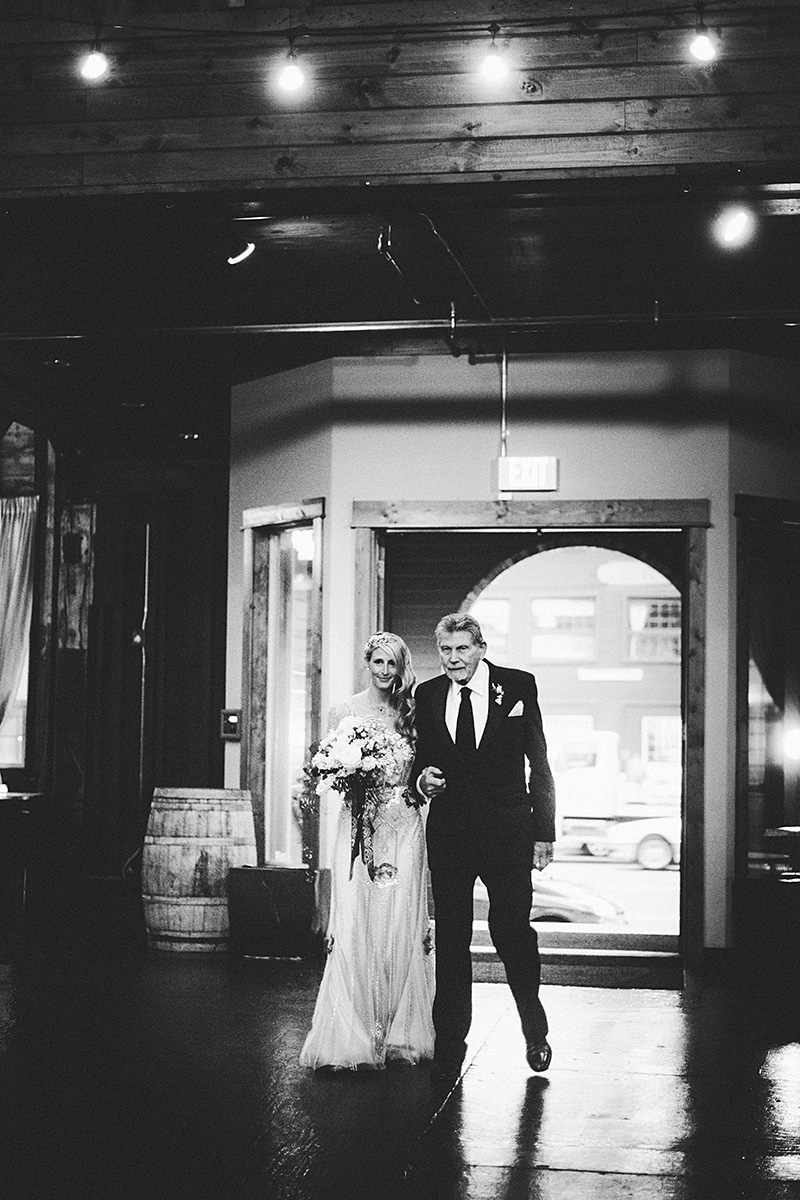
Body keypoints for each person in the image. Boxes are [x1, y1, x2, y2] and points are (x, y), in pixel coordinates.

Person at [413, 612, 556, 1078]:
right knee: (452, 936)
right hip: (451, 835)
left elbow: (539, 761)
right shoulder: (428, 694)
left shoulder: (517, 687)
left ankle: (534, 1030)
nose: (453, 659)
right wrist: (423, 781)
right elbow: (424, 761)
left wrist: (544, 833)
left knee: (512, 932)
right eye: (446, 651)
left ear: (480, 648)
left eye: (462, 649)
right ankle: (450, 1039)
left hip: (508, 833)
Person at [300, 632, 435, 1070]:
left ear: (401, 667)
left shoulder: (412, 710)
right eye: (378, 661)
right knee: (357, 921)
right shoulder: (346, 710)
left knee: (399, 921)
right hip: (360, 825)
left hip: (404, 825)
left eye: (392, 663)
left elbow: (423, 769)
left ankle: (398, 1031)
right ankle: (354, 1030)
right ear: (367, 662)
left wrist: (410, 796)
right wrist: (347, 777)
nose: (384, 670)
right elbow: (324, 765)